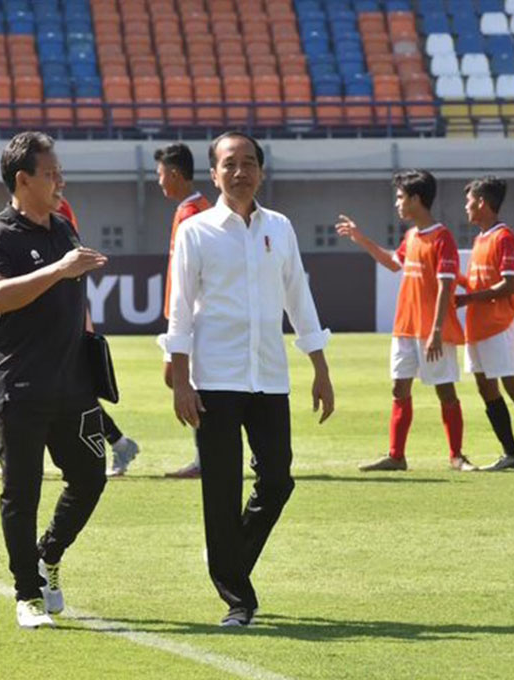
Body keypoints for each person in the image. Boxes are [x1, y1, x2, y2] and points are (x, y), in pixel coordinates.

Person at [166, 131, 334, 627]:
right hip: (214, 377)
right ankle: (239, 599)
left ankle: (227, 558)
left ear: (262, 170)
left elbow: (299, 298)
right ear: (214, 174)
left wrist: (320, 368)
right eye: (229, 164)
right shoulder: (195, 231)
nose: (240, 172)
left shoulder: (280, 228)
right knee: (220, 488)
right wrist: (180, 379)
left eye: (249, 163)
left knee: (278, 480)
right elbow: (179, 310)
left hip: (269, 377)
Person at [0, 132, 109, 629]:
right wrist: (59, 269)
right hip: (20, 384)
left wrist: (88, 335)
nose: (60, 181)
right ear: (23, 179)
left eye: (60, 172)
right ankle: (26, 594)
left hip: (72, 383)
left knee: (92, 477)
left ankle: (48, 554)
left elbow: (73, 294)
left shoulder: (64, 227)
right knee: (21, 491)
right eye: (50, 174)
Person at [337, 169, 475, 472]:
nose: (397, 203)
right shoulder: (411, 236)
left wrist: (437, 330)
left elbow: (446, 286)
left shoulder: (442, 238)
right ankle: (396, 456)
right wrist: (361, 238)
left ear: (416, 199)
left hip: (431, 332)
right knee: (399, 389)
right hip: (405, 327)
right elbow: (392, 263)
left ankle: (456, 456)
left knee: (445, 390)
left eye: (401, 197)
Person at [454, 176, 514, 472]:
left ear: (482, 202)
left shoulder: (503, 237)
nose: (466, 207)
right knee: (486, 388)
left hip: (499, 324)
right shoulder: (481, 238)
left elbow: (510, 285)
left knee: (513, 386)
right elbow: (480, 282)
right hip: (478, 326)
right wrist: (453, 282)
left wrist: (468, 298)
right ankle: (511, 453)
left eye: (469, 201)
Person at [56, 197, 140, 477]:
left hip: (62, 316)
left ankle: (118, 443)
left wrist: (82, 318)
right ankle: (120, 442)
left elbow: (74, 269)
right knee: (68, 390)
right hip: (53, 316)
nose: (57, 182)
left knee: (73, 391)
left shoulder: (57, 210)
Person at [151, 143, 211, 480]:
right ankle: (207, 454)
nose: (159, 183)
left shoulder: (192, 213)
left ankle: (208, 456)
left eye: (161, 175)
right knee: (178, 377)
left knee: (182, 379)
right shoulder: (194, 208)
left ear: (174, 174)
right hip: (188, 312)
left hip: (192, 312)